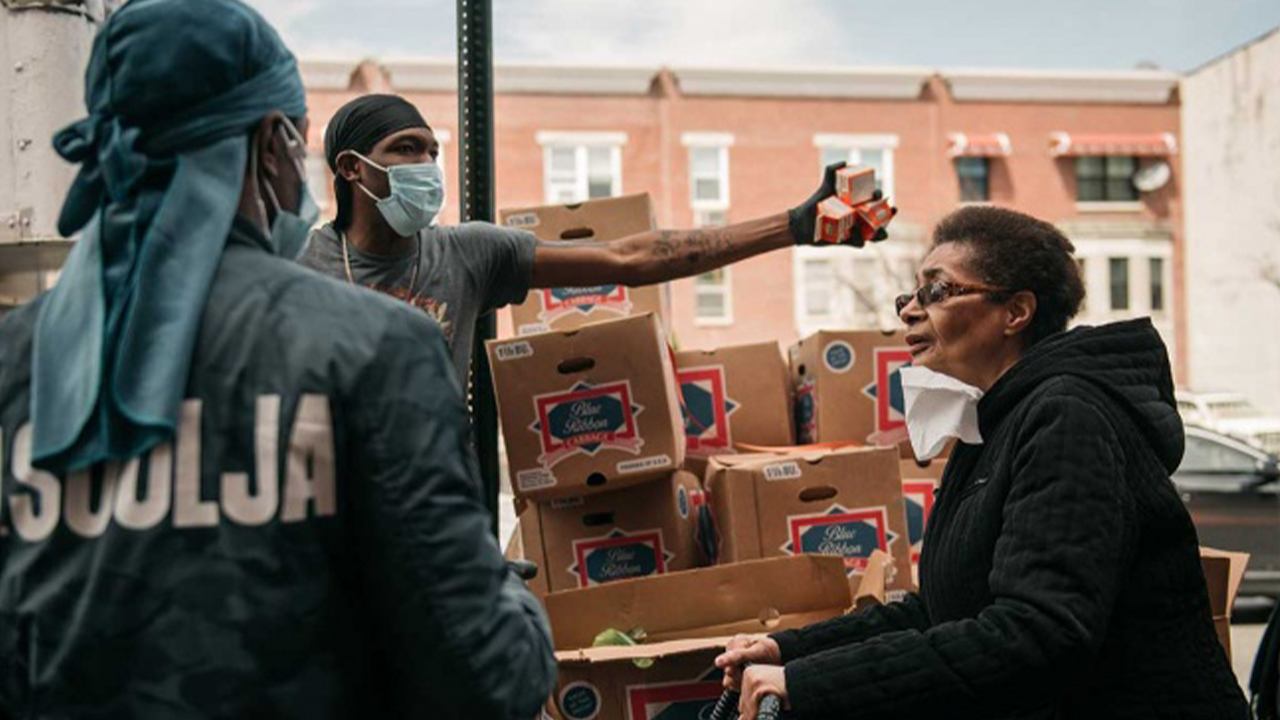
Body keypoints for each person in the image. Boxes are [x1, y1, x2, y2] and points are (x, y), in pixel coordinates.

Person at [0, 1, 554, 718]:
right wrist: (503, 591)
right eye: (298, 143)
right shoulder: (375, 348)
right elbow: (487, 677)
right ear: (270, 144)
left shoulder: (19, 360)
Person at [714, 205, 1248, 720]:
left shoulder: (1069, 417)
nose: (910, 309)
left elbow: (1039, 633)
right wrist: (788, 651)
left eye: (937, 290)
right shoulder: (991, 424)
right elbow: (941, 610)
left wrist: (808, 684)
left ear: (1015, 312)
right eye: (911, 293)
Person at [299, 94, 891, 381]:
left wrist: (792, 227)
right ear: (351, 168)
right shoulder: (299, 265)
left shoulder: (468, 253)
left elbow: (632, 257)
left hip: (431, 513)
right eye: (405, 149)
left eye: (432, 152)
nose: (427, 166)